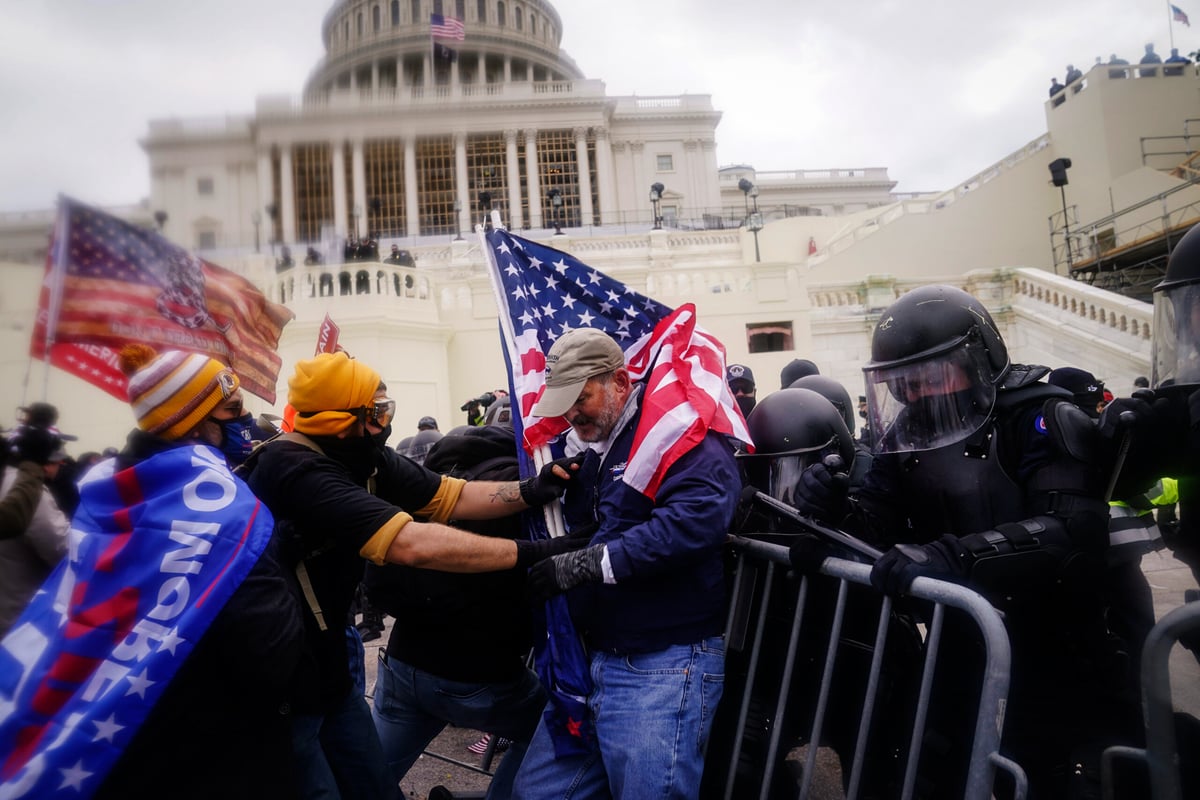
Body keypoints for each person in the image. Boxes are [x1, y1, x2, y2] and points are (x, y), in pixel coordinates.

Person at [788, 285, 1133, 798]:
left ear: (979, 359)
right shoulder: (907, 434)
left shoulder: (1040, 417)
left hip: (1062, 643)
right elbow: (880, 527)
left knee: (1055, 773)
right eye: (906, 382)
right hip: (964, 638)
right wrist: (836, 510)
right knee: (938, 766)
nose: (922, 392)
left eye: (934, 374)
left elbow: (1071, 533)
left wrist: (952, 557)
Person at [237, 351, 586, 800]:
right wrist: (538, 551)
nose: (386, 422)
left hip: (330, 661)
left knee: (375, 788)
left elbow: (449, 496)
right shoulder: (296, 468)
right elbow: (411, 544)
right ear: (342, 420)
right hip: (283, 671)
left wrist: (527, 491)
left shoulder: (364, 457)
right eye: (379, 412)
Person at [0, 344, 306, 798]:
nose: (246, 419)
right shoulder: (226, 513)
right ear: (194, 421)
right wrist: (275, 547)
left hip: (119, 736)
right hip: (209, 746)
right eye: (234, 407)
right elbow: (273, 654)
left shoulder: (109, 489)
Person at [511, 327, 738, 800]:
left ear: (619, 381)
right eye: (565, 402)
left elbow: (694, 524)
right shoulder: (606, 445)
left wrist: (585, 566)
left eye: (582, 397)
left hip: (662, 663)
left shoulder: (678, 430)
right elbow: (604, 527)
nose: (573, 414)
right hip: (598, 661)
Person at [367, 420, 546, 800]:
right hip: (481, 673)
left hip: (403, 664)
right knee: (557, 725)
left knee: (364, 776)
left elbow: (377, 585)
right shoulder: (515, 488)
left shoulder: (422, 483)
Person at [0, 424, 69, 638]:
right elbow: (62, 548)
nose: (61, 462)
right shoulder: (28, 491)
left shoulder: (7, 478)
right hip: (19, 616)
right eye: (57, 457)